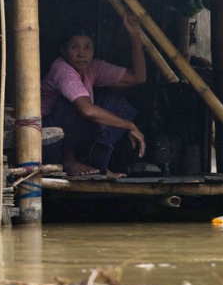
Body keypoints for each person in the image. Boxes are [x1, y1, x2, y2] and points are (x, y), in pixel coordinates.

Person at [41, 13, 147, 177]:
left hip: (71, 142)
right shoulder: (62, 70)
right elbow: (87, 110)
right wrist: (129, 126)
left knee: (114, 102)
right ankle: (68, 162)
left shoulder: (93, 68)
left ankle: (97, 164)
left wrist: (135, 35)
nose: (82, 54)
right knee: (75, 105)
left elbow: (138, 77)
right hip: (44, 143)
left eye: (87, 47)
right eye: (74, 47)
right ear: (63, 50)